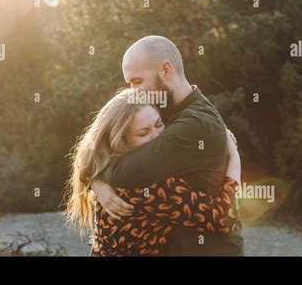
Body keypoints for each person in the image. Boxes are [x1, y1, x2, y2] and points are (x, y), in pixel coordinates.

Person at [90, 35, 244, 255]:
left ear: (165, 70)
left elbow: (122, 172)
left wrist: (95, 175)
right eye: (130, 84)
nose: (133, 92)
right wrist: (96, 181)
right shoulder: (166, 112)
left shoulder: (193, 124)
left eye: (137, 81)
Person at [65, 88, 241, 256]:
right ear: (121, 141)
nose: (158, 136)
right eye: (144, 133)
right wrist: (233, 155)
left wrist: (96, 181)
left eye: (159, 124)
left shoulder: (108, 164)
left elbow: (88, 162)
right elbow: (220, 219)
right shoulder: (146, 185)